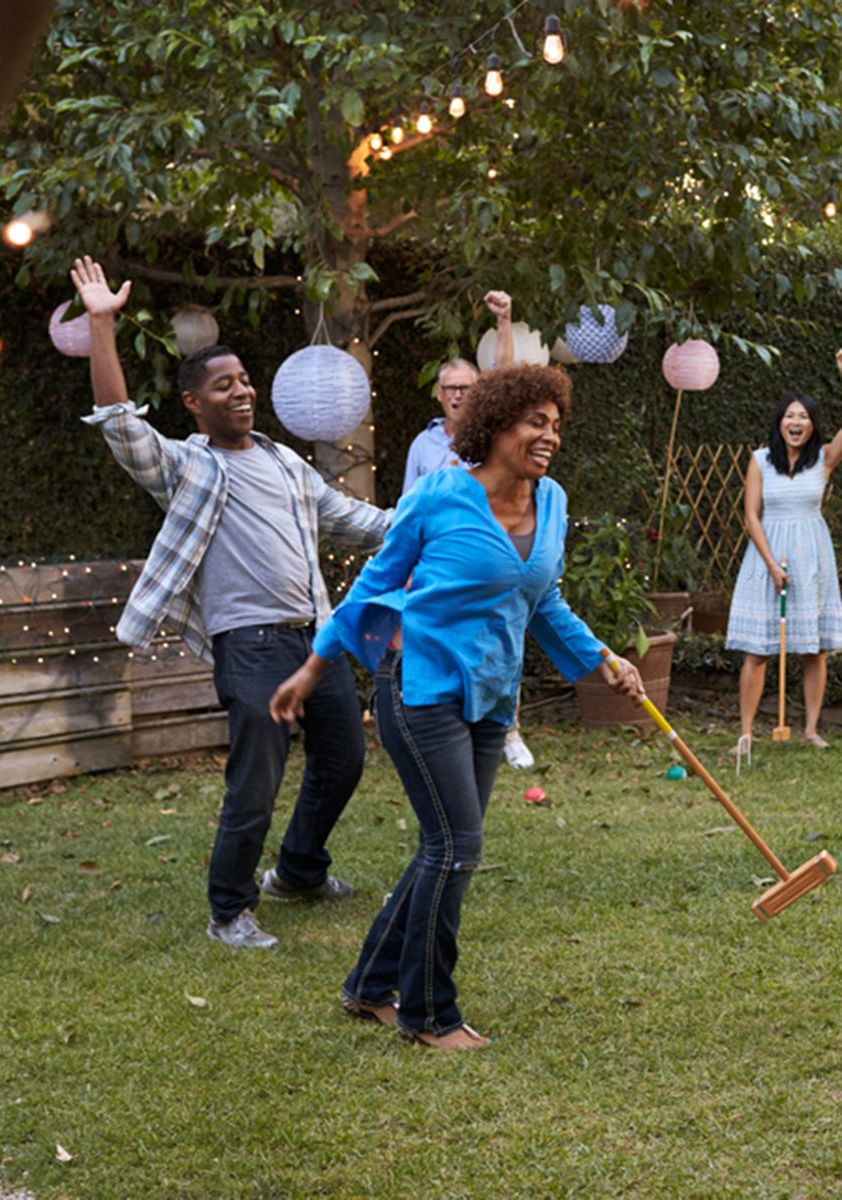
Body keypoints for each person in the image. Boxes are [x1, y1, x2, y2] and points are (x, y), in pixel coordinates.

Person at [270, 364, 644, 1051]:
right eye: (536, 422)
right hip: (419, 685)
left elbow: (543, 599)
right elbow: (372, 587)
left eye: (556, 425)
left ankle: (370, 985)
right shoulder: (439, 496)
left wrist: (605, 660)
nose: (549, 436)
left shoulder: (551, 501)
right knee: (455, 846)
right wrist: (312, 668)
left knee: (444, 847)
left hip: (493, 694)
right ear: (495, 426)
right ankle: (429, 1014)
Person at [72, 256, 393, 950]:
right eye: (224, 386)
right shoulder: (192, 466)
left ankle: (300, 872)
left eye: (245, 381)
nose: (242, 392)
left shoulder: (283, 461)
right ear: (195, 402)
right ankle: (229, 909)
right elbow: (121, 426)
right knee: (256, 782)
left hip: (319, 641)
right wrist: (103, 325)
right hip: (250, 647)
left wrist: (428, 516)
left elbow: (350, 517)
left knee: (344, 762)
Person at [401, 292, 536, 770]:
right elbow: (406, 511)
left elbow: (505, 379)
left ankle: (509, 730)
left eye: (466, 387)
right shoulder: (423, 444)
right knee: (442, 646)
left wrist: (504, 322)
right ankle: (447, 728)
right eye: (450, 388)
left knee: (500, 640)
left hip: (488, 557)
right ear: (439, 394)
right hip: (438, 565)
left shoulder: (493, 434)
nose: (458, 394)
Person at [725, 349, 842, 760]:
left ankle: (811, 730)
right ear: (779, 422)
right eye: (789, 416)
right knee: (758, 649)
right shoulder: (760, 460)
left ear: (813, 425)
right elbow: (751, 515)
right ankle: (745, 733)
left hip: (812, 556)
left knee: (814, 648)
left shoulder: (823, 461)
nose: (795, 423)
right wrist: (769, 564)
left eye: (803, 417)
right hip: (766, 556)